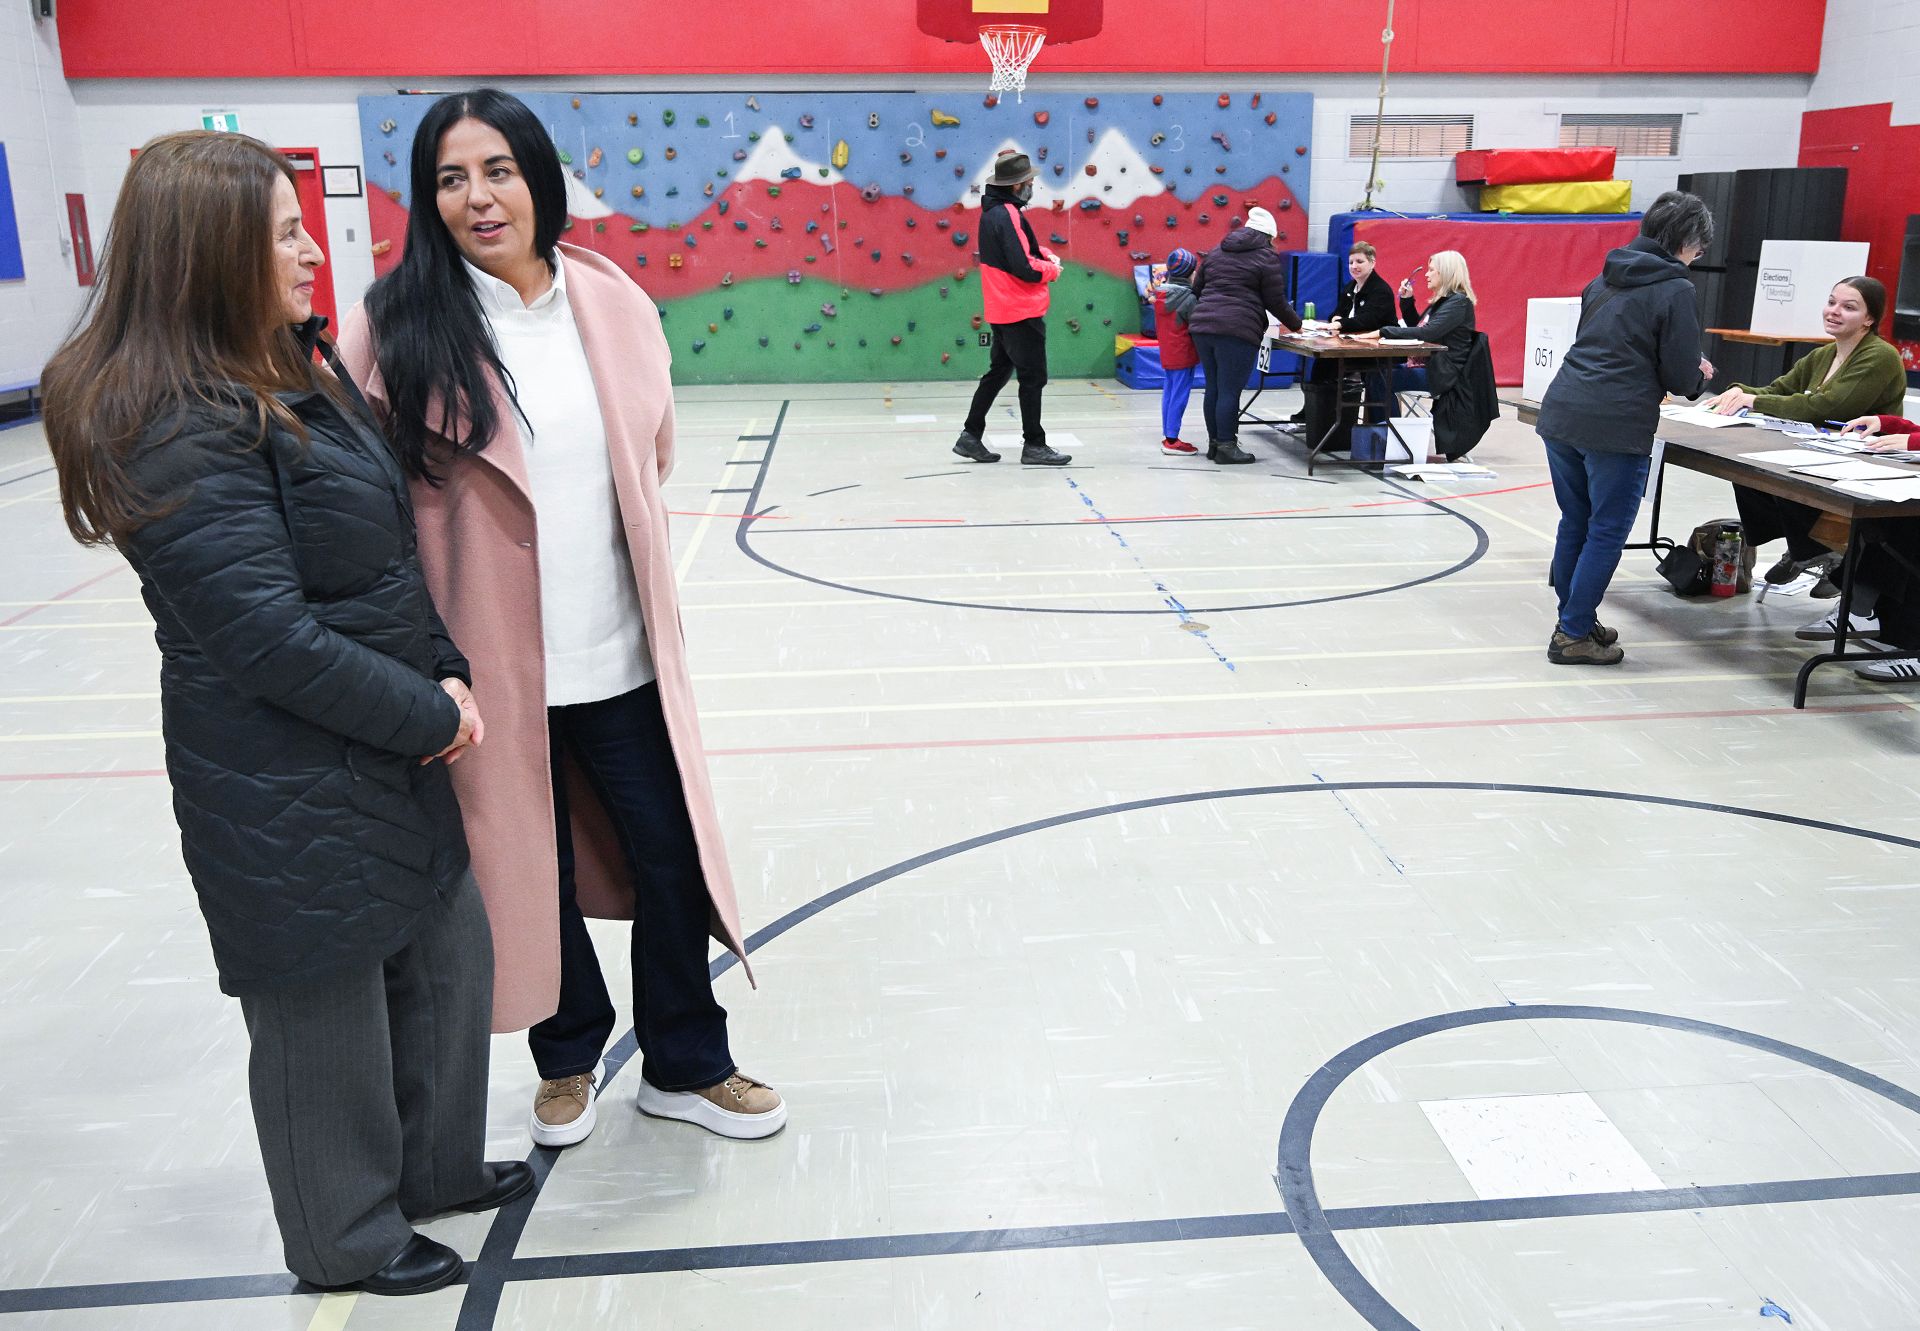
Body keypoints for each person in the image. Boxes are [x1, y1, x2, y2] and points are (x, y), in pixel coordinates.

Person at [41, 131, 529, 1296]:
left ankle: (434, 1168)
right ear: (210, 256)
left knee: (440, 952)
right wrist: (425, 709)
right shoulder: (172, 418)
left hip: (380, 739)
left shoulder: (280, 366)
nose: (315, 250)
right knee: (326, 1014)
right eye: (284, 233)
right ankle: (347, 1234)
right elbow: (264, 638)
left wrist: (444, 670)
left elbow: (375, 563)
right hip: (284, 774)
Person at [338, 89, 785, 1151]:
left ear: (539, 177)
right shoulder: (395, 325)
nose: (478, 197)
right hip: (488, 665)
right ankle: (567, 1053)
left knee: (669, 854)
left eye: (498, 170)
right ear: (426, 198)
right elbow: (361, 506)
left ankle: (687, 1057)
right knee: (529, 868)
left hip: (620, 651)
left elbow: (655, 450)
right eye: (451, 179)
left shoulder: (610, 299)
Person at [1532, 191, 1716, 665]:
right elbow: (1678, 377)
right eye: (1698, 251)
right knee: (1608, 529)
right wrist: (1697, 373)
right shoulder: (1675, 288)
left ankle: (1574, 618)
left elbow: (1604, 344)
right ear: (1686, 242)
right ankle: (1572, 633)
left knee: (1576, 520)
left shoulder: (1603, 277)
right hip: (1616, 421)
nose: (1697, 260)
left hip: (1564, 409)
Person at [1710, 278, 1908, 624]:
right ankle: (1811, 548)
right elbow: (1777, 390)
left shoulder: (1880, 356)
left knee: (1784, 477)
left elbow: (1825, 406)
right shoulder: (1823, 354)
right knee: (1746, 469)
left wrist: (1753, 399)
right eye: (1832, 302)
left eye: (1849, 307)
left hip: (1865, 460)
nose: (1834, 311)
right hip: (1819, 450)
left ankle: (1815, 549)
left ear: (1869, 319)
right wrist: (1736, 391)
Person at [953, 147, 1070, 466]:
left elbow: (1018, 252)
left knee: (998, 373)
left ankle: (970, 435)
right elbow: (1025, 267)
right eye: (1029, 180)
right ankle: (1034, 444)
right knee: (1033, 378)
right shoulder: (1010, 214)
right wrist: (1051, 270)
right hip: (1021, 310)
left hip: (1001, 309)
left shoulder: (992, 213)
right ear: (1018, 185)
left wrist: (1041, 254)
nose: (1032, 185)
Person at [1352, 249, 1497, 459]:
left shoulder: (1458, 303)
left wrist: (1383, 331)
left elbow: (1428, 333)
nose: (1427, 275)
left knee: (1382, 378)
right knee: (1377, 374)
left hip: (1446, 374)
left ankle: (1394, 442)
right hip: (1431, 367)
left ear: (1445, 273)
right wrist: (1407, 301)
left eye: (1431, 270)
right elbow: (1419, 328)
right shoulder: (1443, 302)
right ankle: (1386, 438)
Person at [1188, 206, 1302, 465]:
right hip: (1237, 329)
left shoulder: (1217, 251)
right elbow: (1276, 301)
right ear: (1269, 236)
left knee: (1214, 388)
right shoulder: (1266, 256)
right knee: (1230, 390)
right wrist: (1297, 326)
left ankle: (1215, 445)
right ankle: (1228, 446)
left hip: (1203, 328)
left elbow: (1197, 289)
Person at [1154, 247, 1201, 455]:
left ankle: (1168, 435)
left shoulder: (1162, 293)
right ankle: (1172, 440)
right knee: (1179, 396)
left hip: (1168, 353)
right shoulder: (1188, 299)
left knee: (1170, 393)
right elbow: (1198, 323)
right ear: (1189, 273)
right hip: (1183, 354)